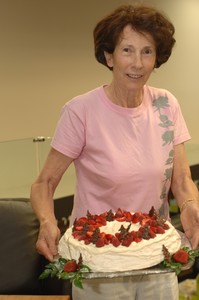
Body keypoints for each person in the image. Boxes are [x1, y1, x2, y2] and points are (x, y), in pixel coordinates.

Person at [30, 4, 199, 300]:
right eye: (127, 51)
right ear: (109, 56)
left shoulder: (166, 105)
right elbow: (44, 184)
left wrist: (189, 207)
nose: (137, 63)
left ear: (157, 57)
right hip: (97, 266)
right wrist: (46, 221)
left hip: (155, 257)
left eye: (147, 51)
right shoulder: (80, 111)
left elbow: (182, 179)